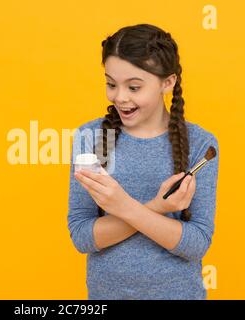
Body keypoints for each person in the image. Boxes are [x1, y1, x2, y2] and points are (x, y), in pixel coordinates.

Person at [67, 23, 220, 299]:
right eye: (111, 84)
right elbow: (82, 237)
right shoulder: (88, 138)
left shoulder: (200, 144)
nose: (120, 97)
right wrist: (157, 207)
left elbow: (196, 244)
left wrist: (123, 206)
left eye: (134, 87)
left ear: (168, 82)